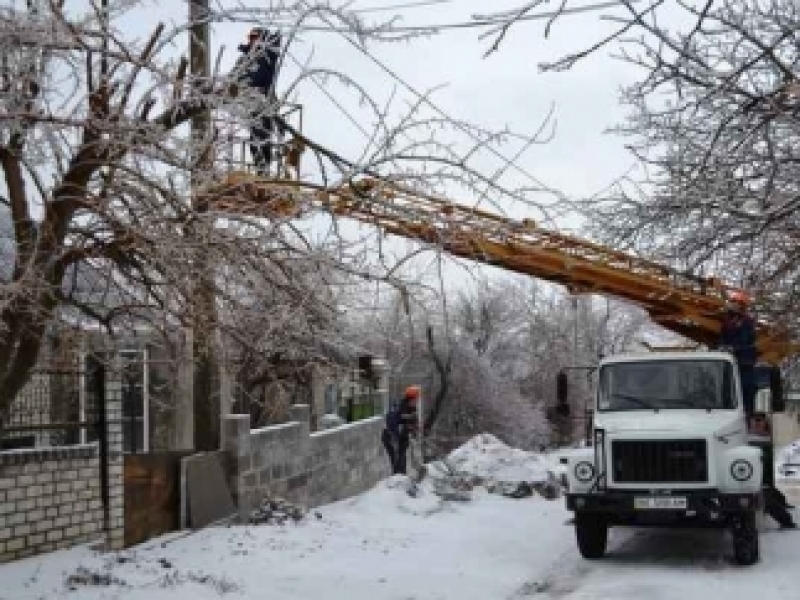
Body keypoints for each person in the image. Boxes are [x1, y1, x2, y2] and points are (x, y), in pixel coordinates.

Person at [234, 27, 283, 175]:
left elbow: (262, 76)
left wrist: (273, 40)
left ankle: (263, 172)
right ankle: (261, 171)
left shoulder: (267, 56)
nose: (253, 41)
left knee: (263, 139)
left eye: (256, 38)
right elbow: (234, 77)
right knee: (255, 140)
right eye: (251, 38)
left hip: (265, 102)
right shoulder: (245, 59)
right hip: (251, 103)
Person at [718, 290, 758, 414]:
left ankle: (748, 414)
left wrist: (733, 348)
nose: (732, 304)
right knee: (728, 391)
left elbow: (746, 340)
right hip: (731, 361)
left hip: (745, 362)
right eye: (732, 302)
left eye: (736, 302)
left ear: (742, 305)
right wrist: (721, 347)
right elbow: (722, 337)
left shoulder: (747, 321)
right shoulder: (727, 321)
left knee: (746, 390)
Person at [381, 386, 420, 475]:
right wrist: (404, 428)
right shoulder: (399, 408)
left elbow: (413, 423)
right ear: (411, 399)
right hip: (391, 437)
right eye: (416, 399)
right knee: (397, 460)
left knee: (402, 459)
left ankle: (402, 479)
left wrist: (415, 429)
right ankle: (397, 480)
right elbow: (392, 423)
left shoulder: (412, 409)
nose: (416, 402)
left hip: (402, 438)